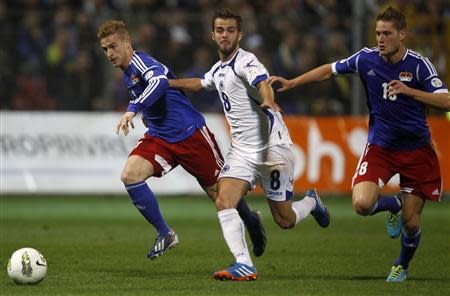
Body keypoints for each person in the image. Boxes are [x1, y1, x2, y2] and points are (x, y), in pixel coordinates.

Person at [268, 7, 449, 282]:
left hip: (417, 151)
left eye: (387, 34)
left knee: (412, 224)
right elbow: (329, 70)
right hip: (381, 147)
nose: (380, 39)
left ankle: (402, 264)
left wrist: (410, 91)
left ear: (402, 35)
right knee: (362, 204)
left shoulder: (419, 65)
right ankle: (393, 205)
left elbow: (446, 101)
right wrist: (293, 82)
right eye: (378, 33)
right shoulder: (365, 59)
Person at [169, 8, 330, 281]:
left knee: (285, 220)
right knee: (224, 199)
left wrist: (267, 99)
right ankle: (244, 263)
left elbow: (262, 83)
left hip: (272, 150)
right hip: (243, 151)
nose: (225, 35)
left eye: (230, 30)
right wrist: (168, 84)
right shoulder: (219, 69)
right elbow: (201, 83)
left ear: (239, 34)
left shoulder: (247, 61)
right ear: (212, 35)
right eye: (220, 30)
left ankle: (312, 203)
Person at [97, 20, 267, 260]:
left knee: (220, 195)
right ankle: (165, 233)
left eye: (113, 46)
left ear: (127, 43)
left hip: (190, 135)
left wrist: (133, 109)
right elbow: (155, 93)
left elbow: (160, 82)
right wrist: (148, 113)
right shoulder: (127, 73)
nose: (109, 53)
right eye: (105, 49)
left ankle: (250, 219)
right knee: (130, 175)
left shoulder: (141, 62)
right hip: (160, 137)